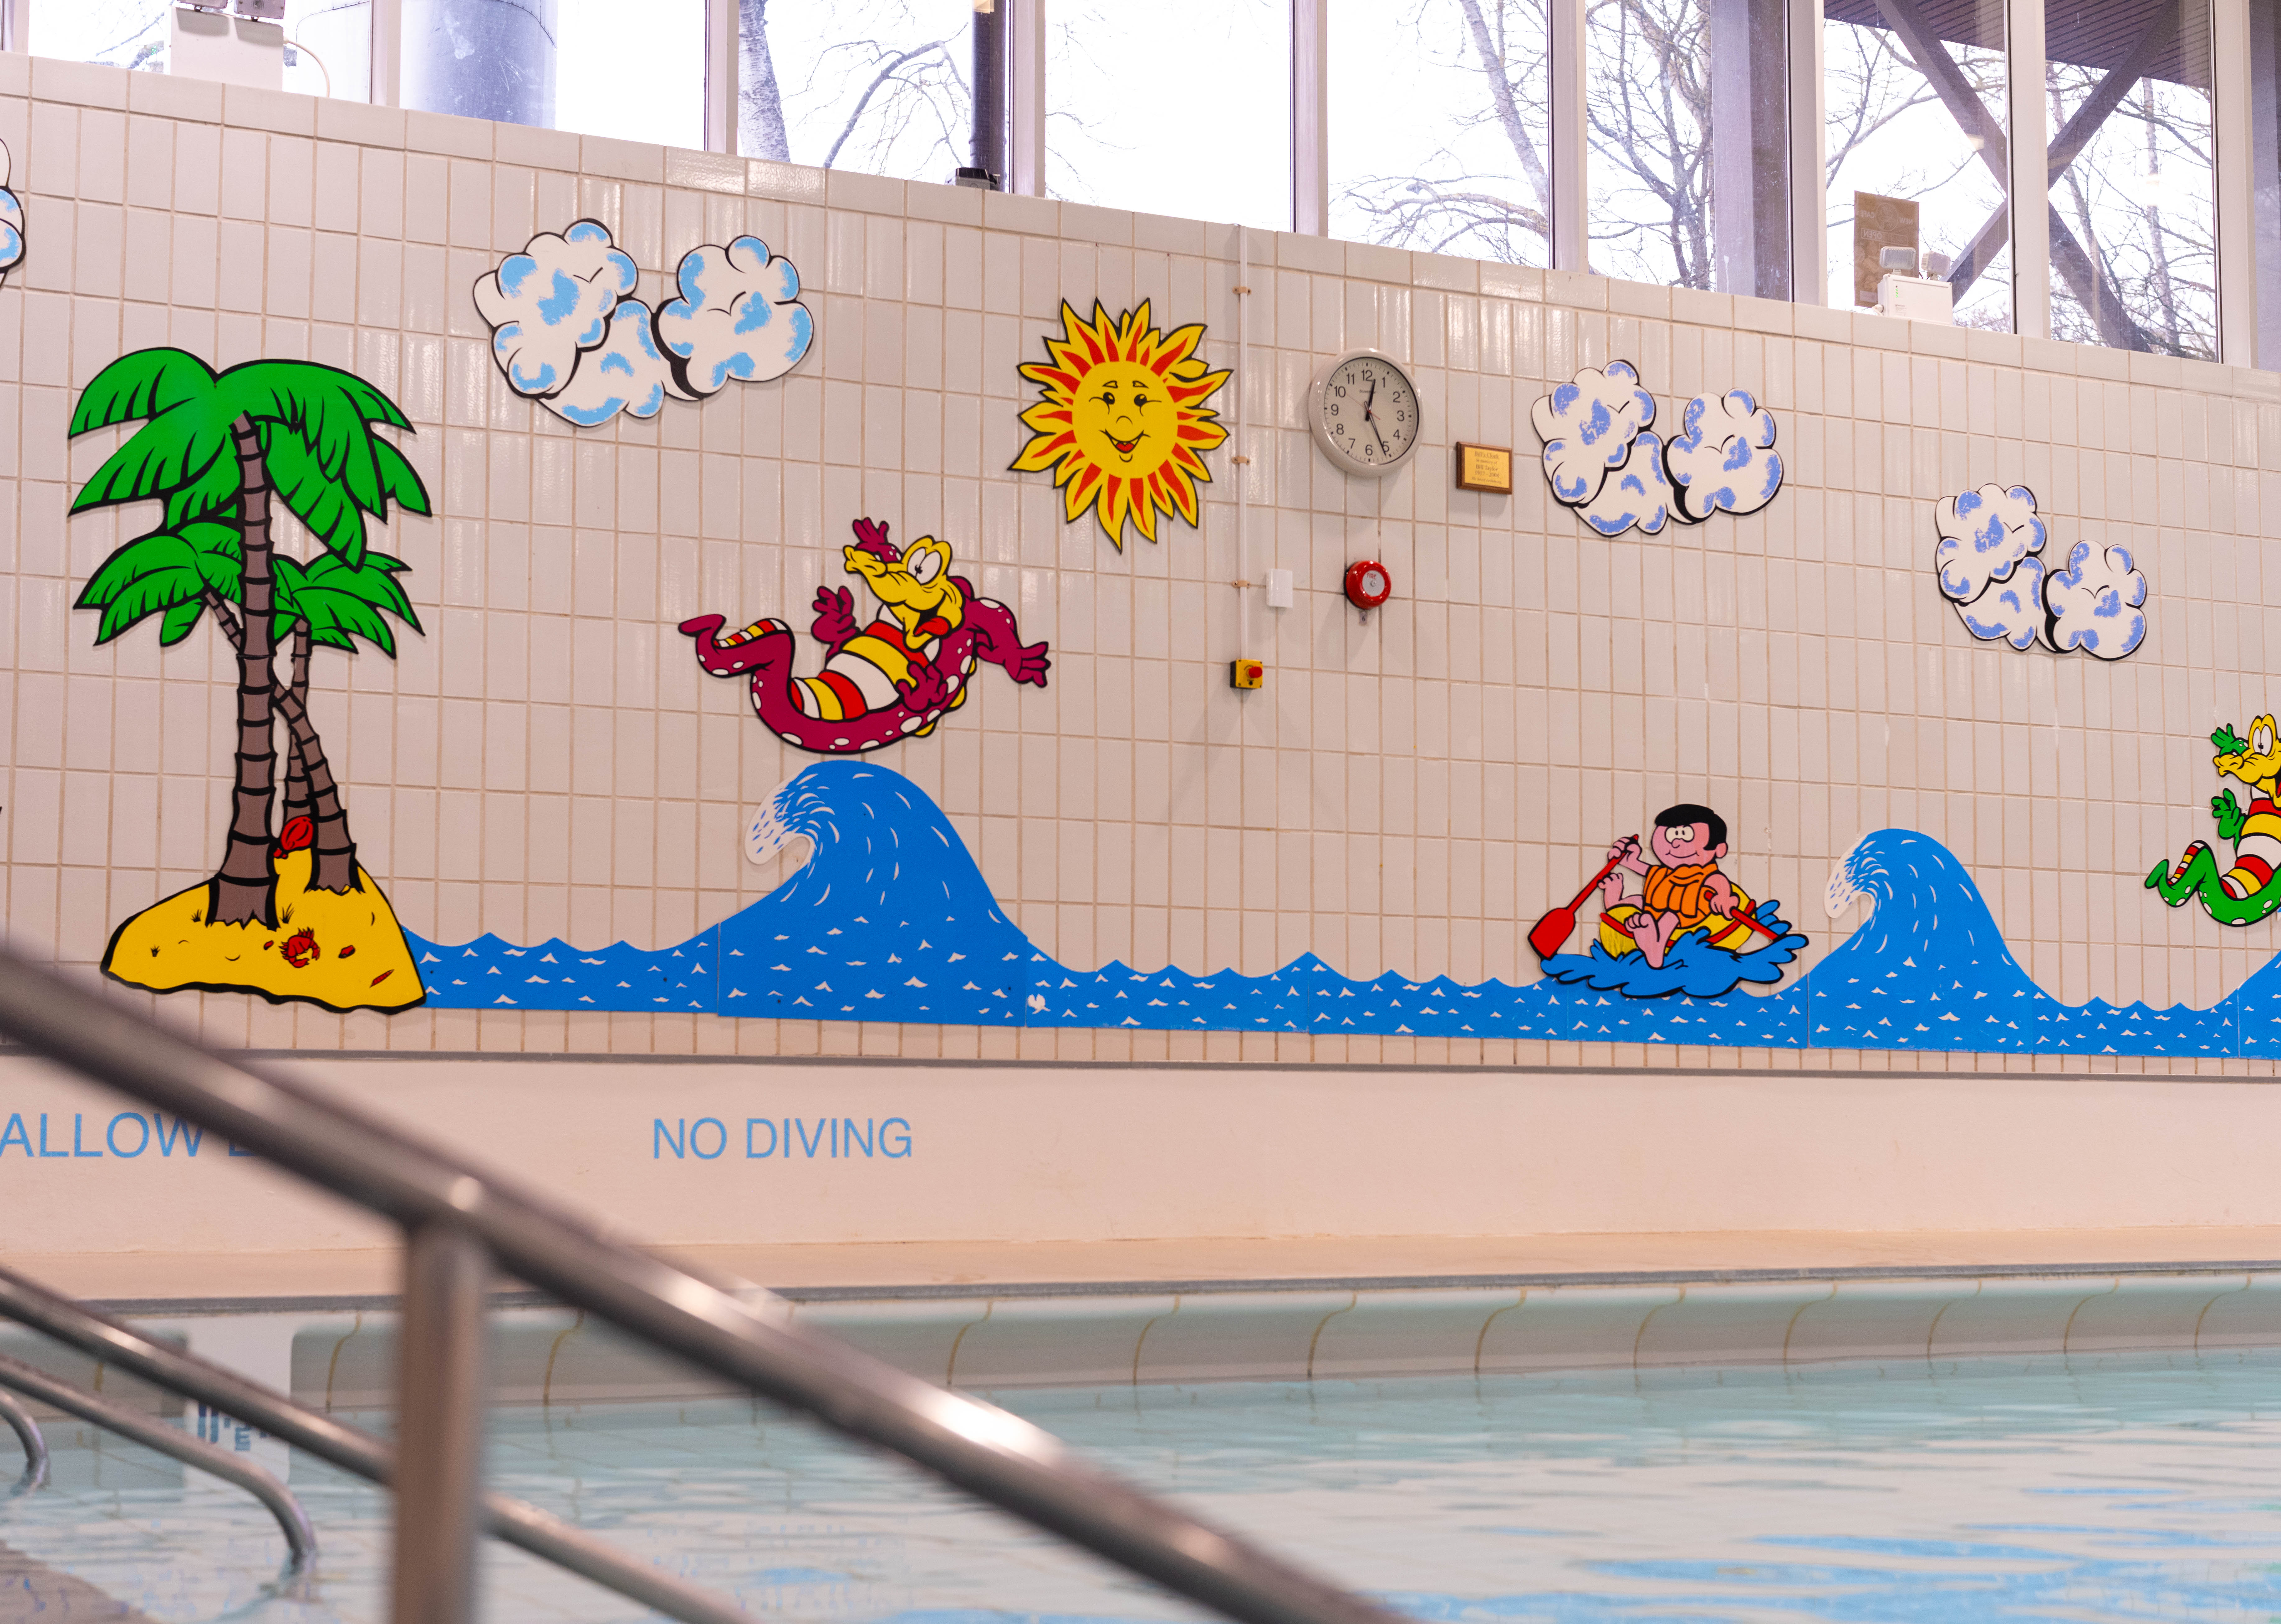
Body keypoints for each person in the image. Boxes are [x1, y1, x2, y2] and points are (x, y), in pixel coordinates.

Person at [1598, 804, 1755, 970]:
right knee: (1637, 900)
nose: (1676, 843)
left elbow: (1718, 883)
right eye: (1671, 835)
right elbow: (1642, 869)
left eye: (1686, 835)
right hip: (1653, 909)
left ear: (1719, 849)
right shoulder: (1665, 873)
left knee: (1669, 918)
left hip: (1684, 915)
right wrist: (1628, 859)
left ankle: (1655, 952)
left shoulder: (1705, 874)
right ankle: (1615, 903)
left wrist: (1724, 898)